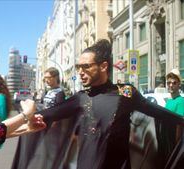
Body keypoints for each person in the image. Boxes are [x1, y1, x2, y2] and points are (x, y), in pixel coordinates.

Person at [26, 39, 184, 169]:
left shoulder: (125, 92)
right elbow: (47, 115)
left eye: (86, 66)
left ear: (103, 66)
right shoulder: (80, 97)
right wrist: (27, 114)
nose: (80, 72)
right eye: (78, 67)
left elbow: (157, 112)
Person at [12, 67, 69, 169]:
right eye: (45, 78)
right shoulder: (47, 91)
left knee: (49, 154)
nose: (46, 80)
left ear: (56, 77)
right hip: (42, 124)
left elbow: (59, 112)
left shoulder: (60, 92)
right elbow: (42, 106)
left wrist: (54, 126)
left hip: (52, 128)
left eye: (48, 77)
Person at [156, 69, 184, 167]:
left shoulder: (180, 101)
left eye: (174, 83)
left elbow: (179, 125)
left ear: (179, 84)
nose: (171, 85)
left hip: (173, 145)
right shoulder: (168, 101)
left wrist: (176, 149)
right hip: (166, 142)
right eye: (168, 83)